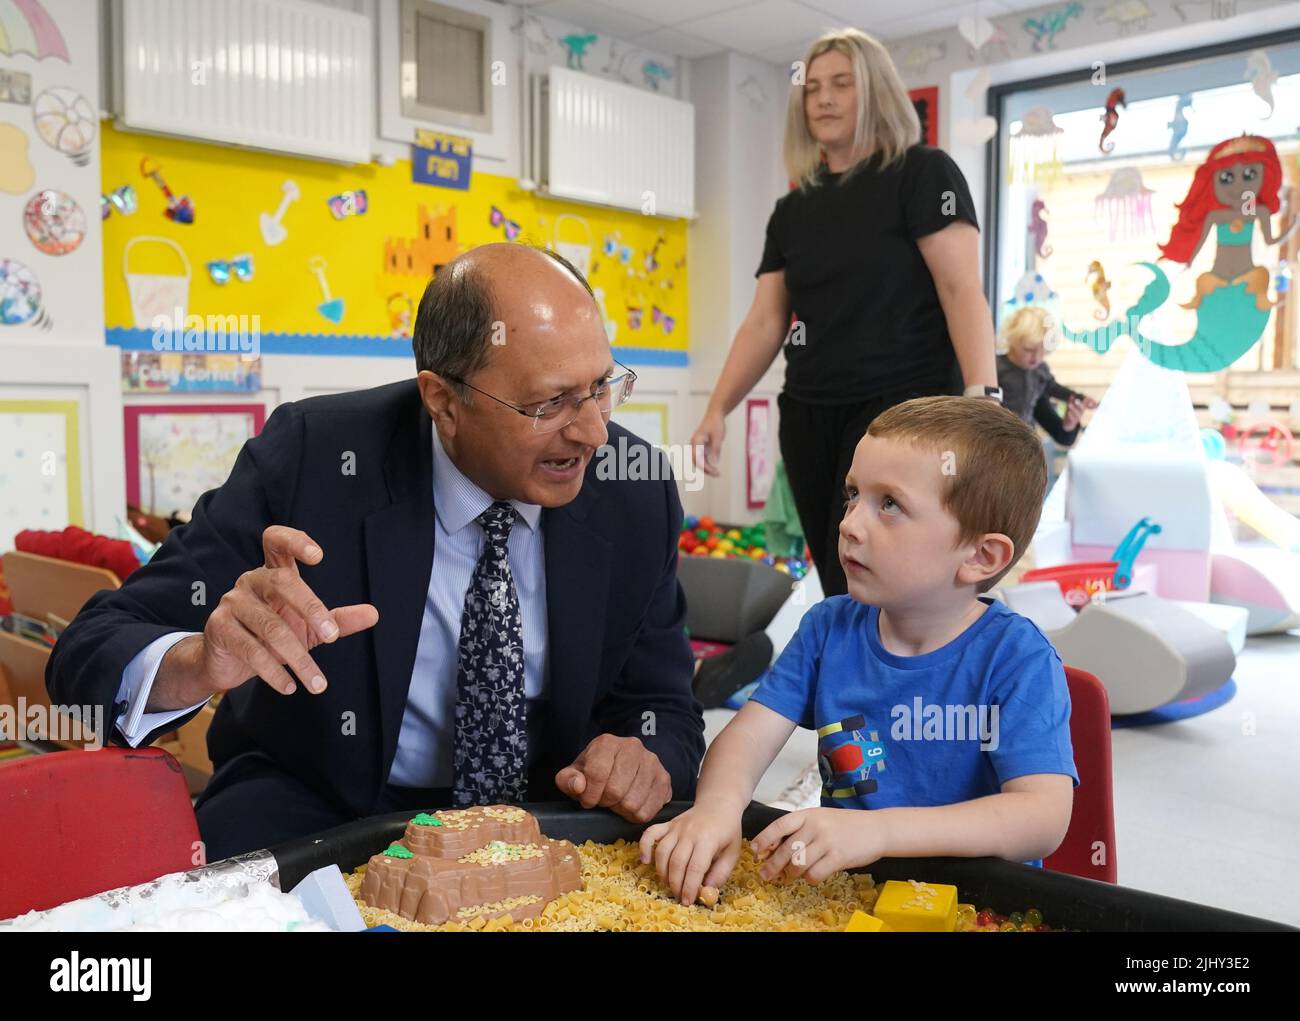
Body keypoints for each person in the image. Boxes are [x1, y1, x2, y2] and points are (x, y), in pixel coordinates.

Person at [47, 244, 705, 861]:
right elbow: (88, 652)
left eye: (601, 386)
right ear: (443, 401)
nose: (593, 430)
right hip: (322, 814)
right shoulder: (313, 457)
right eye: (550, 402)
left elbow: (666, 709)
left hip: (543, 821)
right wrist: (199, 659)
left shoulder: (632, 488)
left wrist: (643, 754)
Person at [641, 397, 1077, 905]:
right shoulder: (830, 628)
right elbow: (748, 737)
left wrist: (879, 833)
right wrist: (717, 806)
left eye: (889, 503)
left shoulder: (1016, 658)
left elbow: (1042, 817)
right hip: (848, 894)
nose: (848, 523)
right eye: (853, 494)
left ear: (980, 556)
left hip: (976, 903)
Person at [690, 27, 1001, 599]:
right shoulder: (793, 209)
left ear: (877, 93)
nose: (824, 99)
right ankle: (851, 685)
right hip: (810, 414)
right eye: (812, 89)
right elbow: (765, 322)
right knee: (840, 580)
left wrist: (985, 397)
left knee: (892, 577)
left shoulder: (923, 174)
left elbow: (961, 289)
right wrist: (717, 409)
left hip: (903, 409)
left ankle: (902, 683)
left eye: (841, 85)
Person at [997, 306, 1098, 448]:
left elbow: (1053, 388)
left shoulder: (1040, 370)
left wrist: (1079, 398)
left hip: (1026, 438)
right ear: (1012, 340)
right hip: (998, 436)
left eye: (1043, 351)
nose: (1037, 357)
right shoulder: (997, 367)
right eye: (1029, 350)